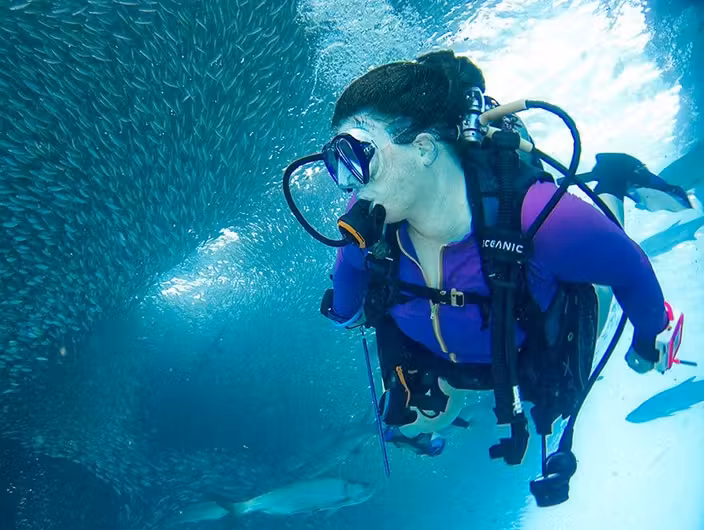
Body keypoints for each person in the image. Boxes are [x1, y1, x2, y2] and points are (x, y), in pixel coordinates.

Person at [282, 49, 692, 506]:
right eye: (337, 163)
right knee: (415, 419)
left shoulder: (538, 217)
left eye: (358, 156)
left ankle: (614, 182)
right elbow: (347, 309)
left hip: (529, 343)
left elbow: (628, 266)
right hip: (447, 359)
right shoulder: (369, 224)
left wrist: (651, 334)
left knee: (597, 296)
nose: (348, 182)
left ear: (422, 149)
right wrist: (354, 270)